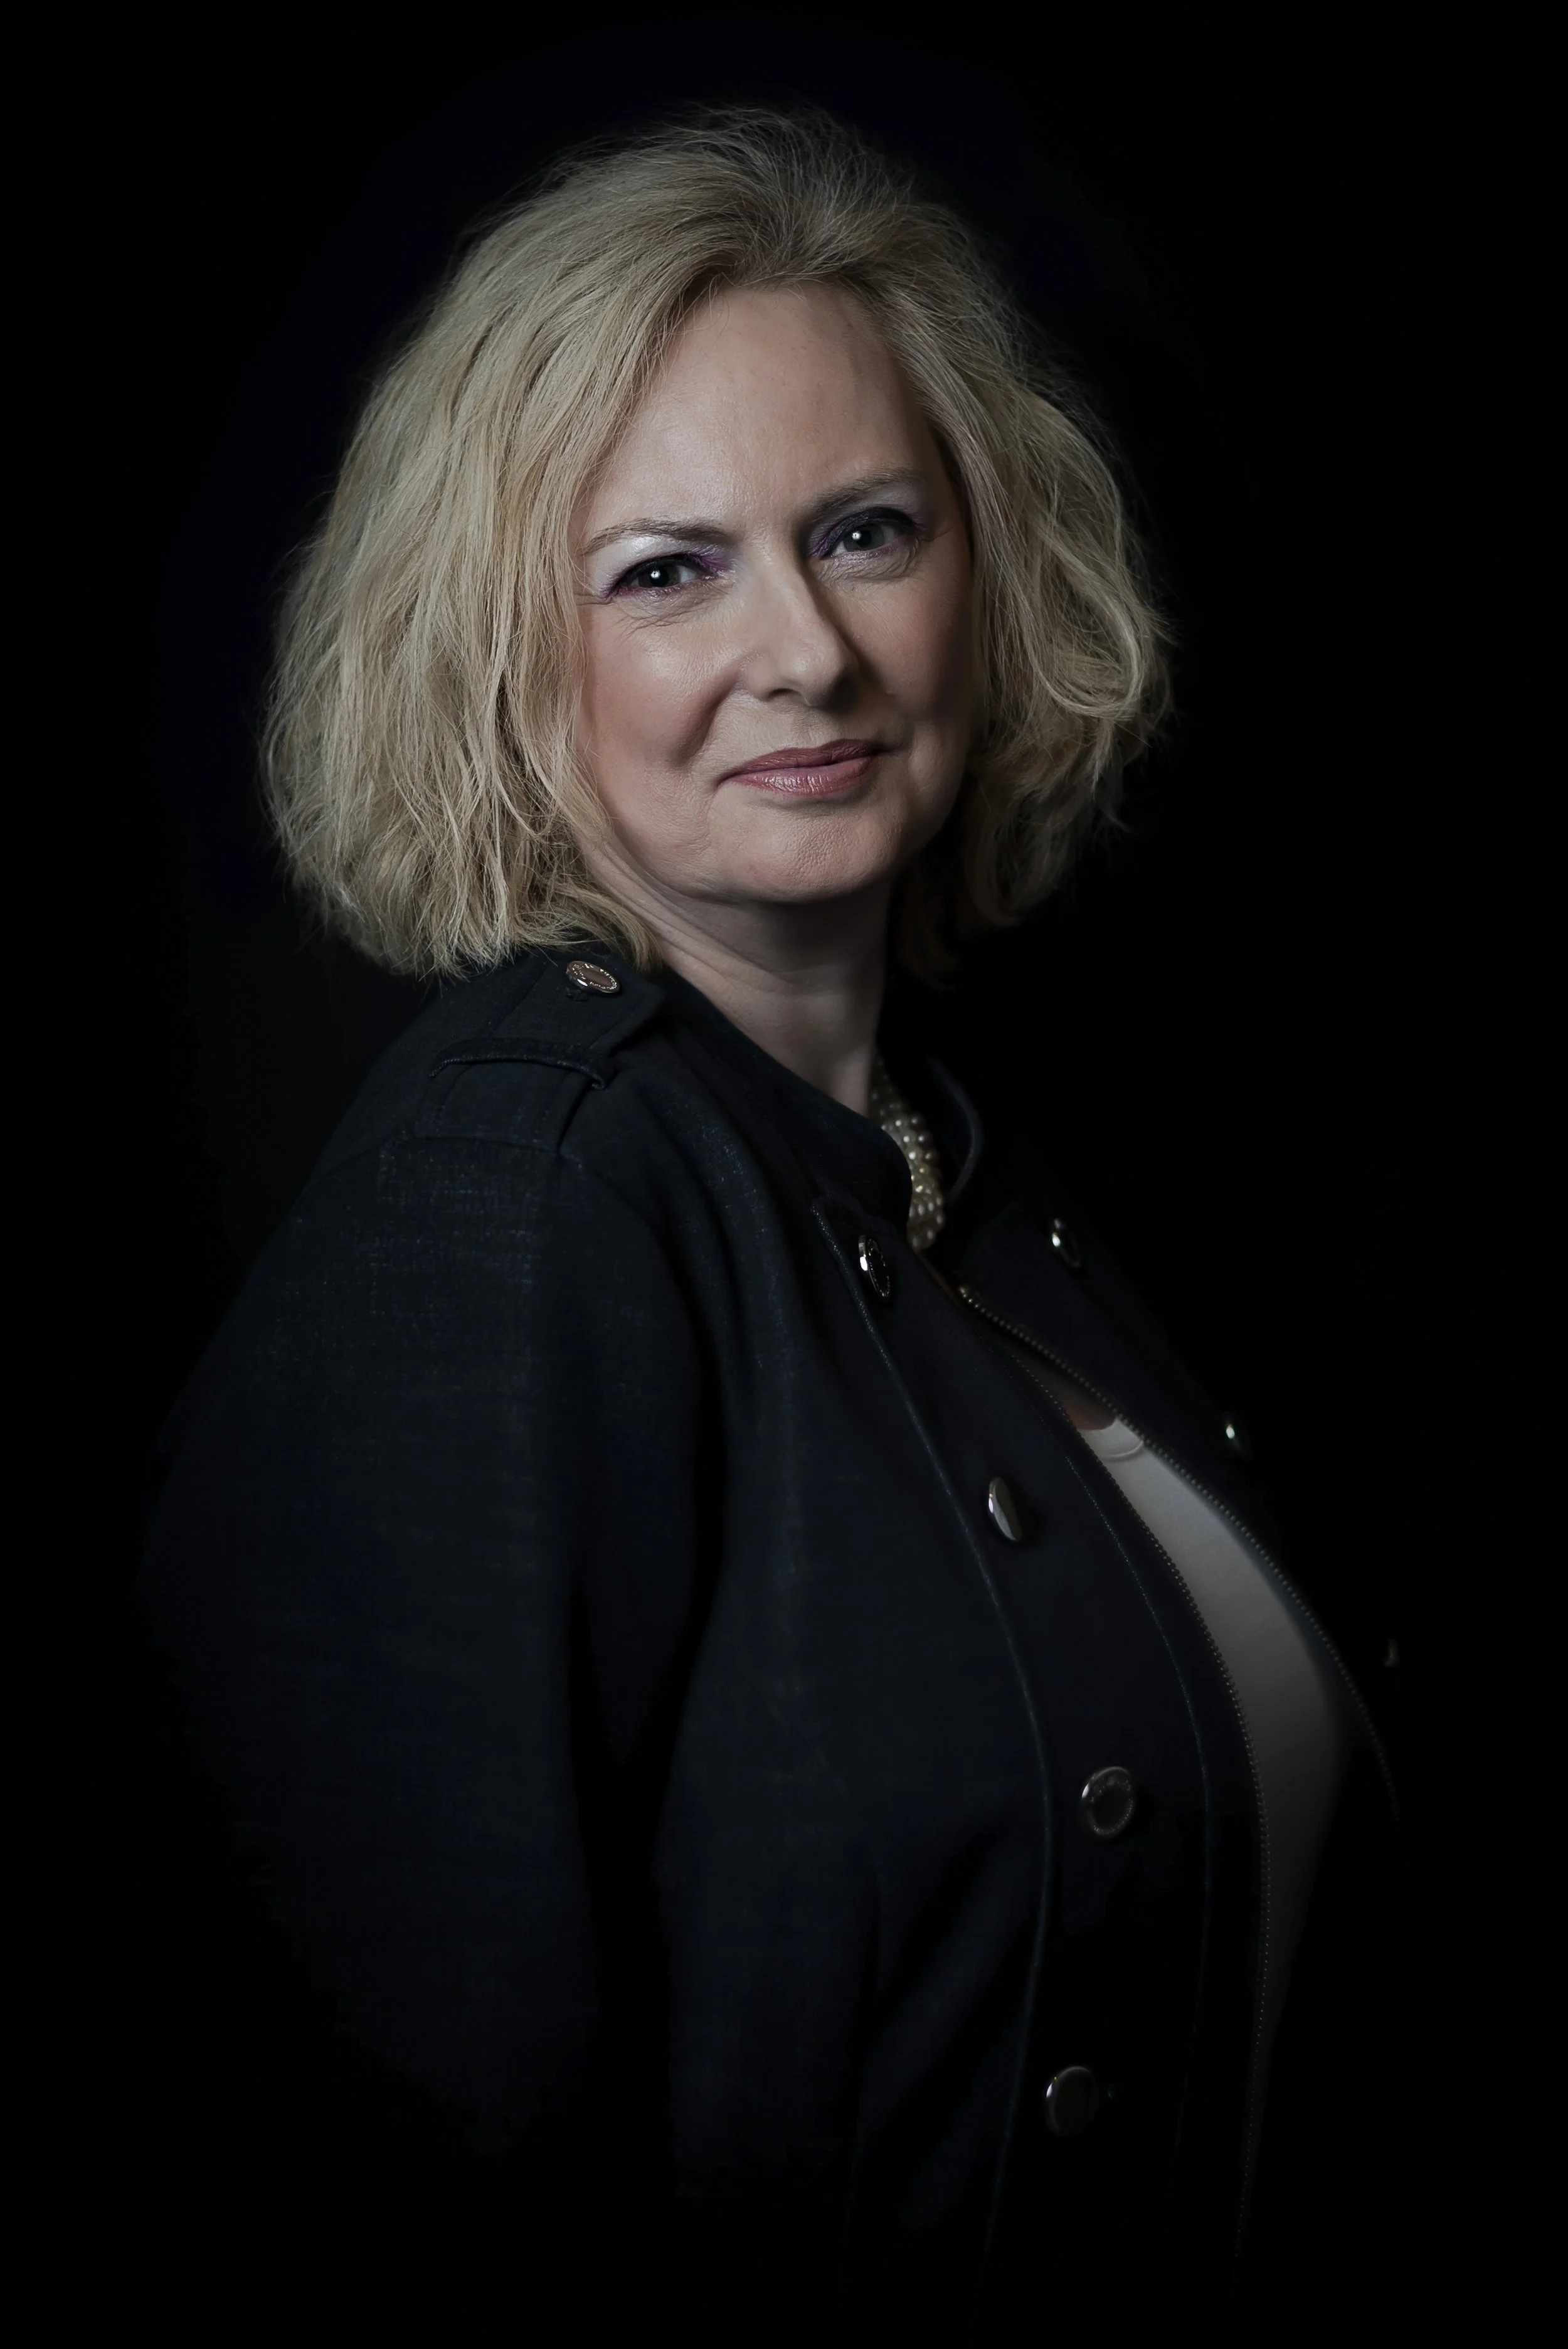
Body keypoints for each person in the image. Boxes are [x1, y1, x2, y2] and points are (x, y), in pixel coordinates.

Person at [109, 109, 1417, 2344]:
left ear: (985, 576)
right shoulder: (513, 1208)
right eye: (665, 569)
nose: (801, 651)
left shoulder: (956, 1175)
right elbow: (362, 2182)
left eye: (866, 532)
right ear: (504, 661)